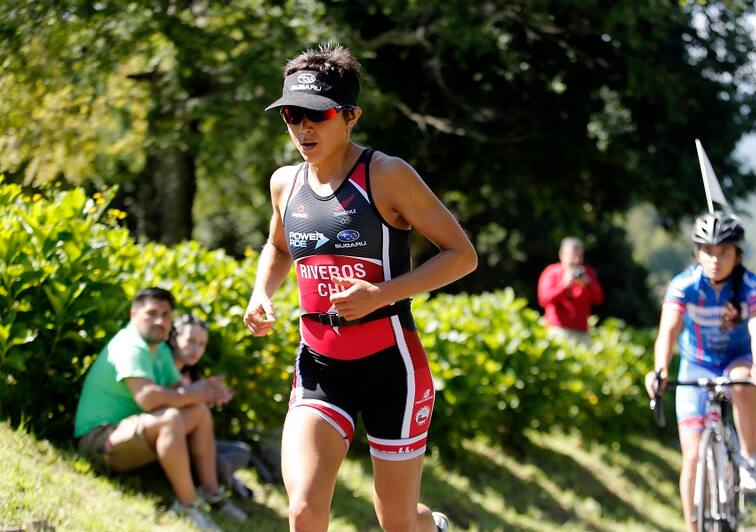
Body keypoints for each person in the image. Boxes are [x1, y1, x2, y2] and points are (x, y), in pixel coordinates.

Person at [243, 43, 477, 532]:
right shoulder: (285, 183)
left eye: (316, 116)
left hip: (392, 368)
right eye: (291, 116)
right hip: (319, 365)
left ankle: (429, 526)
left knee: (395, 522)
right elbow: (279, 248)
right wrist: (260, 292)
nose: (302, 129)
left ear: (350, 116)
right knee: (304, 511)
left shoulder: (386, 175)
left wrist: (380, 295)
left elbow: (462, 256)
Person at [645, 212, 756, 532]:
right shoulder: (684, 285)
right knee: (691, 457)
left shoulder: (748, 284)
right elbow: (668, 332)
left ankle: (748, 457)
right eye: (708, 251)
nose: (715, 260)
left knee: (745, 382)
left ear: (737, 255)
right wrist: (659, 371)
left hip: (736, 359)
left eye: (724, 252)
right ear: (697, 253)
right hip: (697, 363)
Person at [74, 287, 243, 531]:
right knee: (170, 418)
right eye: (151, 313)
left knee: (198, 412)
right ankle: (186, 506)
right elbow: (147, 398)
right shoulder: (131, 346)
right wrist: (194, 394)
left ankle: (211, 493)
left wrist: (207, 392)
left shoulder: (160, 350)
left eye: (165, 315)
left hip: (130, 432)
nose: (159, 321)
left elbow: (179, 391)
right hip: (99, 440)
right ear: (134, 314)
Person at [171, 313, 260, 501]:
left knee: (241, 451)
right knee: (219, 461)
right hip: (175, 442)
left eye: (202, 344)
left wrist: (210, 398)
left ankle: (227, 482)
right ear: (174, 338)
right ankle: (227, 485)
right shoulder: (164, 368)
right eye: (190, 341)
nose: (196, 349)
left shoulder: (191, 374)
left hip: (192, 440)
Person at [537, 236, 604, 342]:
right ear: (561, 255)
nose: (577, 260)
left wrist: (588, 284)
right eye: (573, 256)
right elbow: (543, 300)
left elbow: (599, 299)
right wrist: (563, 285)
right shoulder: (552, 272)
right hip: (557, 330)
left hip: (582, 332)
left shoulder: (588, 274)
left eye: (580, 256)